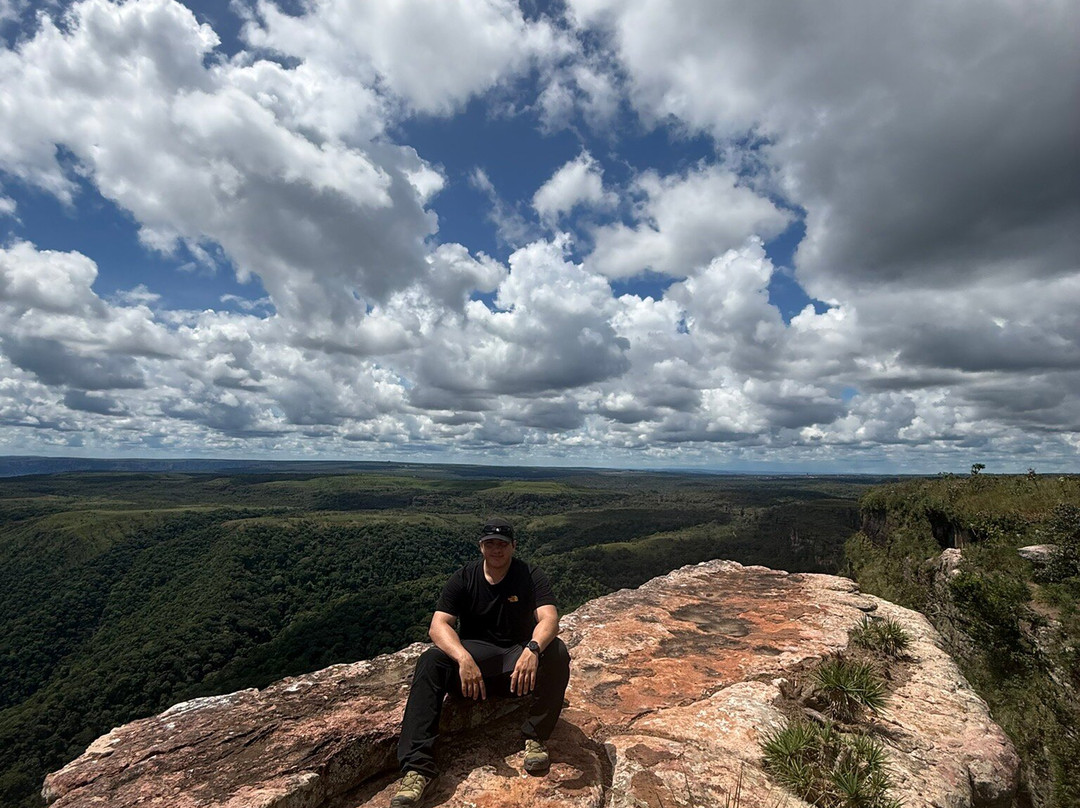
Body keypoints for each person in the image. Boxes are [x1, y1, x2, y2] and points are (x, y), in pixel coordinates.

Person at [391, 517, 571, 807]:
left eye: (502, 544)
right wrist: (462, 658)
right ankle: (416, 769)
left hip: (517, 665)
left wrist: (533, 649)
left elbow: (549, 618)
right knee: (430, 661)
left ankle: (535, 737)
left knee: (557, 652)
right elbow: (438, 626)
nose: (496, 550)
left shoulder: (529, 575)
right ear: (481, 547)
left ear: (513, 546)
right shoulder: (464, 577)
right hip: (475, 668)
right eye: (490, 544)